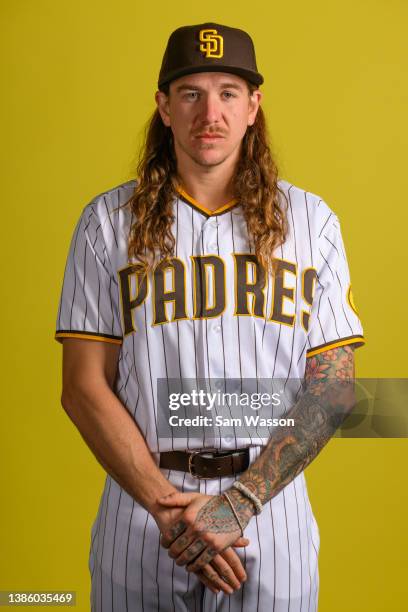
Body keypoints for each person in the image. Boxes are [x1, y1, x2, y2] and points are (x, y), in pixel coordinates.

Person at [55, 22, 365, 611]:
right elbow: (82, 386)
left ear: (254, 106)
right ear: (164, 108)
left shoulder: (311, 220)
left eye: (228, 92)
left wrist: (240, 502)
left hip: (269, 518)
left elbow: (334, 389)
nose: (210, 113)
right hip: (143, 515)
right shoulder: (106, 223)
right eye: (191, 93)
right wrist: (167, 511)